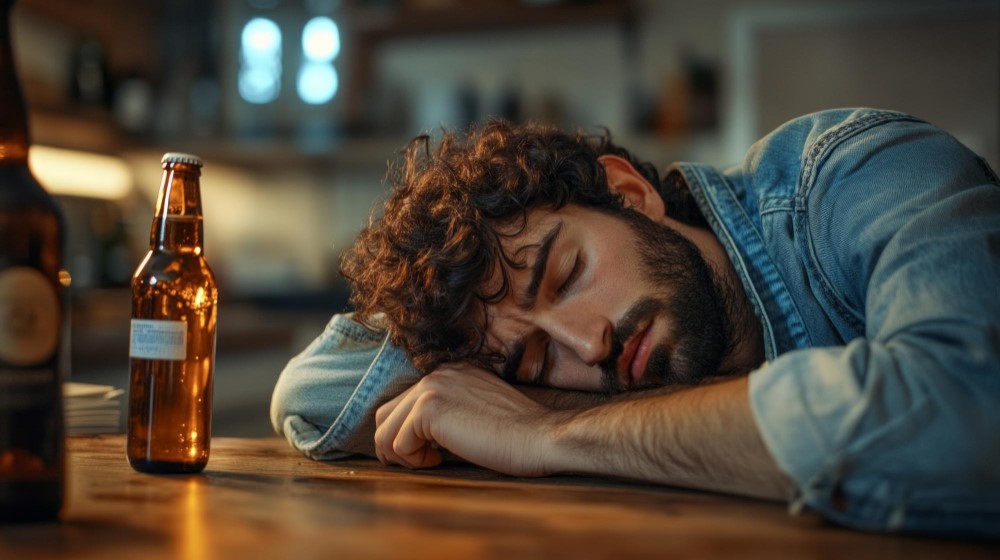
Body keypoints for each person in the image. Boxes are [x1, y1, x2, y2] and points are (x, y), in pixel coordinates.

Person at [270, 108, 1000, 538]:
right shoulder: (582, 351)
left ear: (630, 193)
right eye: (531, 362)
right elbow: (310, 390)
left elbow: (968, 414)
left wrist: (540, 428)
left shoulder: (851, 171)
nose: (589, 344)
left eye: (567, 274)